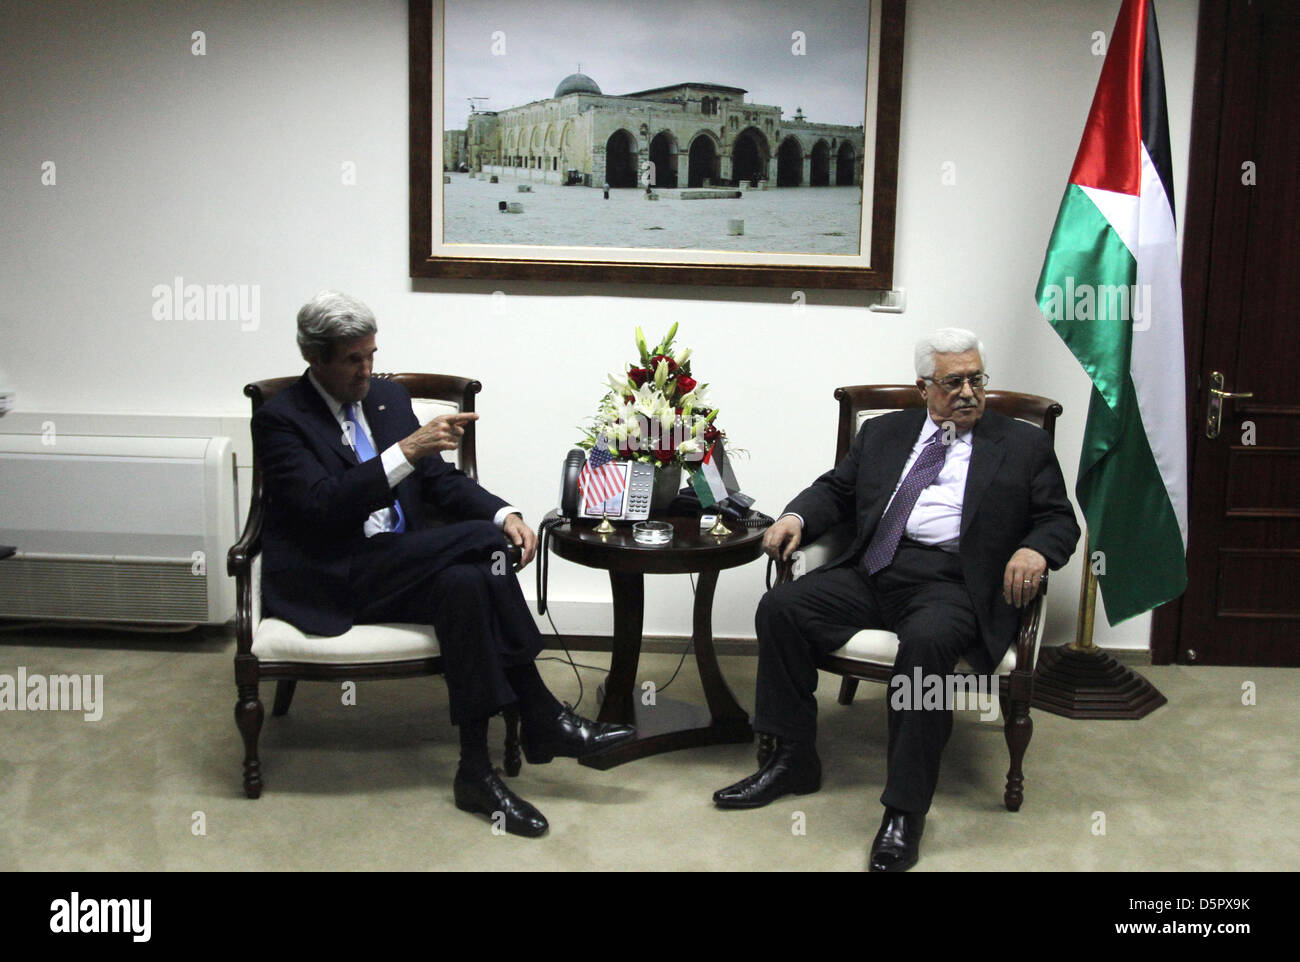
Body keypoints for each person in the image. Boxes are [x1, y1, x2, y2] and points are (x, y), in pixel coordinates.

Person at [252, 291, 634, 837]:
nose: (367, 371)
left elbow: (440, 481)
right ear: (314, 358)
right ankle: (542, 716)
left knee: (467, 579)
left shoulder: (386, 399)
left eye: (372, 354)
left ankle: (475, 773)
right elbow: (321, 505)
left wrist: (505, 514)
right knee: (478, 548)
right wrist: (406, 453)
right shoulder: (281, 419)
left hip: (400, 565)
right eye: (352, 360)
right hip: (332, 573)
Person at [712, 328, 1079, 871]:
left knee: (927, 648)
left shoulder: (1023, 445)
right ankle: (793, 758)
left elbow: (1057, 520)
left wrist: (1033, 551)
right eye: (954, 382)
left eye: (977, 379)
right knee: (782, 609)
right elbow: (837, 490)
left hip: (955, 582)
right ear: (923, 387)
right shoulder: (885, 433)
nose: (970, 393)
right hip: (876, 567)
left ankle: (905, 809)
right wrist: (795, 516)